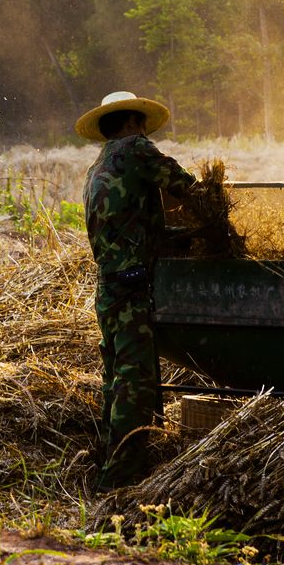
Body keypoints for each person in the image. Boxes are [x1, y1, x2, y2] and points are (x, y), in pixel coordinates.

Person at [75, 91, 198, 491]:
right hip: (131, 289)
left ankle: (109, 459)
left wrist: (183, 238)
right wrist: (213, 206)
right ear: (130, 123)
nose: (145, 132)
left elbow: (137, 231)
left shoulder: (101, 165)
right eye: (141, 125)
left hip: (108, 288)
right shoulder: (136, 149)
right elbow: (183, 183)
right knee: (136, 382)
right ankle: (121, 481)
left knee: (116, 376)